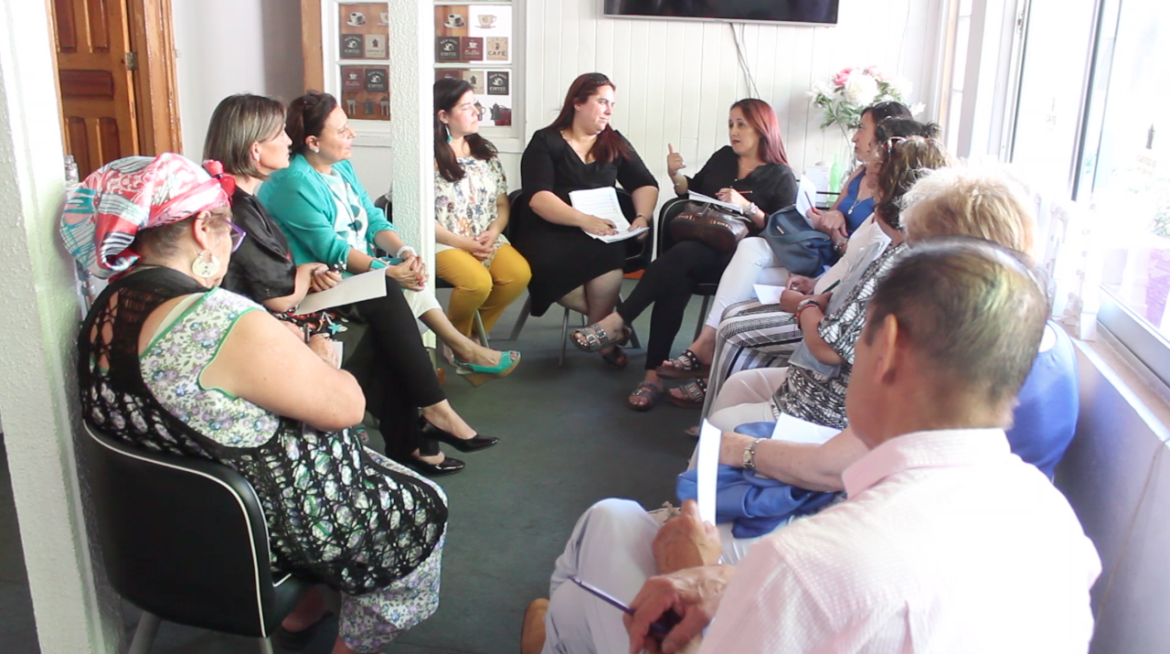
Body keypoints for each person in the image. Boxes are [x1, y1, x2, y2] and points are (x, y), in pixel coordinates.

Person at [523, 238, 1100, 654]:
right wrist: (732, 583)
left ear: (887, 348)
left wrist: (694, 565)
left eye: (858, 335)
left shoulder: (809, 565)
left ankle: (559, 633)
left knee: (604, 530)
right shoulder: (1055, 523)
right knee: (609, 529)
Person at [63, 153, 450, 654]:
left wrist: (267, 342)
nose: (230, 244)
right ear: (203, 228)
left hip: (167, 529)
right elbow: (347, 408)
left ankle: (304, 610)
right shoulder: (217, 316)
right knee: (423, 505)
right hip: (256, 529)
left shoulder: (107, 307)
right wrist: (319, 354)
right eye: (230, 232)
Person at [204, 93, 498, 477]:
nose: (288, 140)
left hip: (321, 283)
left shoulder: (308, 179)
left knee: (387, 306)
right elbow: (283, 291)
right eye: (279, 134)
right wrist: (314, 272)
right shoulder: (277, 188)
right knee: (387, 295)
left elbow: (372, 219)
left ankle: (422, 432)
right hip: (295, 304)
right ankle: (433, 410)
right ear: (257, 149)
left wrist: (403, 253)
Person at [659, 101, 914, 407]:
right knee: (746, 255)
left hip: (830, 277)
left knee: (725, 282)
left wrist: (828, 253)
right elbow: (825, 222)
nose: (855, 136)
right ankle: (711, 349)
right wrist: (828, 220)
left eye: (862, 127)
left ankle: (712, 362)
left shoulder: (891, 205)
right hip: (820, 264)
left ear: (883, 138)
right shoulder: (860, 175)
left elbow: (857, 260)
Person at [258, 90, 520, 385]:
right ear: (313, 143)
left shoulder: (341, 166)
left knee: (411, 280)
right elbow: (332, 249)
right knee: (398, 289)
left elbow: (373, 218)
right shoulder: (293, 181)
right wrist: (384, 271)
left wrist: (404, 252)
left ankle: (454, 358)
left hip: (351, 274)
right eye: (342, 130)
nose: (352, 133)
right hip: (321, 282)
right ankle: (459, 355)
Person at [705, 134, 950, 432]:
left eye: (877, 185)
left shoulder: (898, 265)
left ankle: (717, 446)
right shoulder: (898, 249)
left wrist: (806, 306)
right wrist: (820, 297)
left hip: (827, 407)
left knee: (720, 424)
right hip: (823, 377)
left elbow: (828, 349)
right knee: (738, 385)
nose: (873, 195)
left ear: (895, 194)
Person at [569, 99, 796, 410]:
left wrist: (748, 207)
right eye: (730, 124)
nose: (733, 131)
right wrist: (675, 175)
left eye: (741, 124)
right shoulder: (723, 157)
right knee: (677, 274)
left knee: (679, 259)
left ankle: (620, 325)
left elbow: (783, 229)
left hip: (739, 263)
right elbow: (691, 191)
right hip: (698, 249)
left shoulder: (781, 176)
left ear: (762, 128)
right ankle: (652, 375)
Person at [511, 72, 659, 368]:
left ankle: (601, 334)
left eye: (612, 104)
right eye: (602, 102)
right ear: (577, 103)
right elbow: (538, 197)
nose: (609, 110)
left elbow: (645, 183)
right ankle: (609, 330)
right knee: (551, 263)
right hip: (550, 227)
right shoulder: (546, 141)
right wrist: (583, 220)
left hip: (600, 229)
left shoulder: (614, 141)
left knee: (609, 251)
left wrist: (642, 216)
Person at [433, 77, 531, 339]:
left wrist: (494, 230)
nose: (476, 112)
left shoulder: (484, 151)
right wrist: (463, 243)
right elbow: (417, 216)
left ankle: (471, 336)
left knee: (518, 275)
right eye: (466, 107)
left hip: (485, 236)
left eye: (475, 104)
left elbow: (501, 202)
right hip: (443, 240)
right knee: (477, 283)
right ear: (443, 116)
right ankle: (456, 340)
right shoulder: (424, 156)